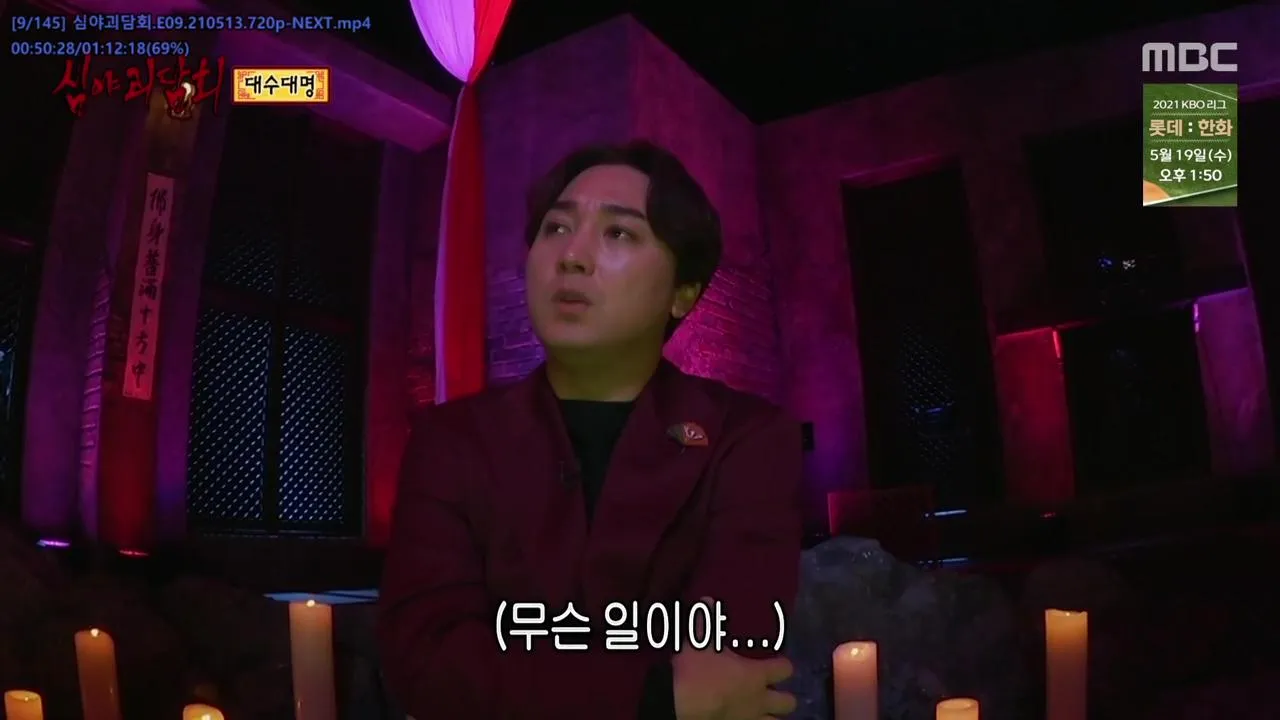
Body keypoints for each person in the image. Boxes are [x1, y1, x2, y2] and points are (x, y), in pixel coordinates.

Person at [378, 140, 803, 719]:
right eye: (555, 228)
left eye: (619, 233)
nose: (572, 256)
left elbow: (733, 659)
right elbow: (426, 662)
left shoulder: (746, 438)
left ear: (683, 293)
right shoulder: (451, 440)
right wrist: (656, 698)